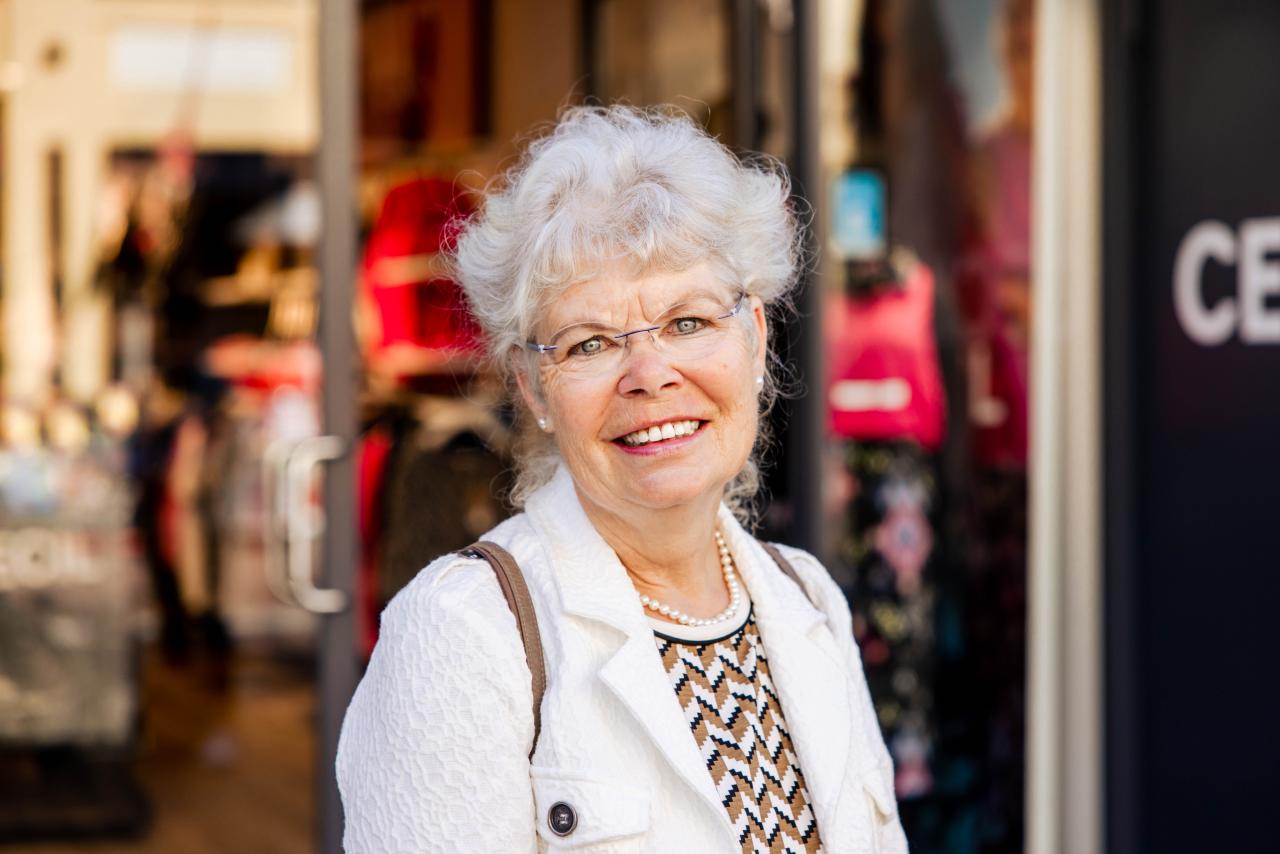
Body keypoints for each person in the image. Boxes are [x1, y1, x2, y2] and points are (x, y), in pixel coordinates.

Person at [336, 105, 906, 853]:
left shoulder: (811, 600)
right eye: (592, 342)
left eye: (689, 322)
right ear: (534, 388)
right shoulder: (462, 637)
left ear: (757, 339)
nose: (650, 375)